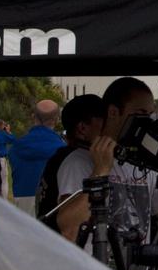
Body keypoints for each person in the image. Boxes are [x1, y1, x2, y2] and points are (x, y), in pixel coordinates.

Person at [54, 77, 158, 270]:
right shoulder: (79, 162)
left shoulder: (144, 163)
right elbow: (69, 229)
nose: (146, 123)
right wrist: (100, 172)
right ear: (113, 112)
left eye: (149, 115)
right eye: (140, 115)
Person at [35, 94, 106, 230]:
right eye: (104, 122)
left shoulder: (59, 157)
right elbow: (72, 225)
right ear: (82, 128)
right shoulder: (72, 162)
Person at [9, 99, 65, 216]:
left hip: (22, 197)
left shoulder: (16, 147)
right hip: (52, 199)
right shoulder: (62, 149)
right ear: (56, 120)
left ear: (33, 116)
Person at [0, 120, 15, 198]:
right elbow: (13, 140)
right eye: (3, 125)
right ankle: (3, 200)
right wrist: (8, 131)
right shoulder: (3, 134)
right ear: (0, 126)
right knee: (4, 181)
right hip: (1, 159)